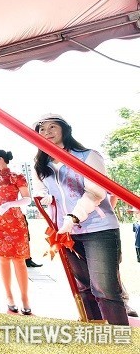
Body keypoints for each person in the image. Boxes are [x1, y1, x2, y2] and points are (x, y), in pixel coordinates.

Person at [32, 113, 128, 325]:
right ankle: (95, 331)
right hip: (66, 234)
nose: (46, 132)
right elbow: (39, 192)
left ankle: (120, 338)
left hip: (98, 230)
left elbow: (96, 193)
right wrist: (46, 200)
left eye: (52, 127)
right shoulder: (40, 164)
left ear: (65, 130)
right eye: (41, 129)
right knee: (83, 287)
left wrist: (73, 217)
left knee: (104, 288)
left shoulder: (87, 156)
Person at [0, 150, 33, 315]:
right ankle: (9, 298)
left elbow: (27, 198)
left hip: (14, 219)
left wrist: (10, 204)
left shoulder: (16, 176)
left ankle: (25, 299)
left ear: (0, 159)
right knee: (3, 260)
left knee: (19, 260)